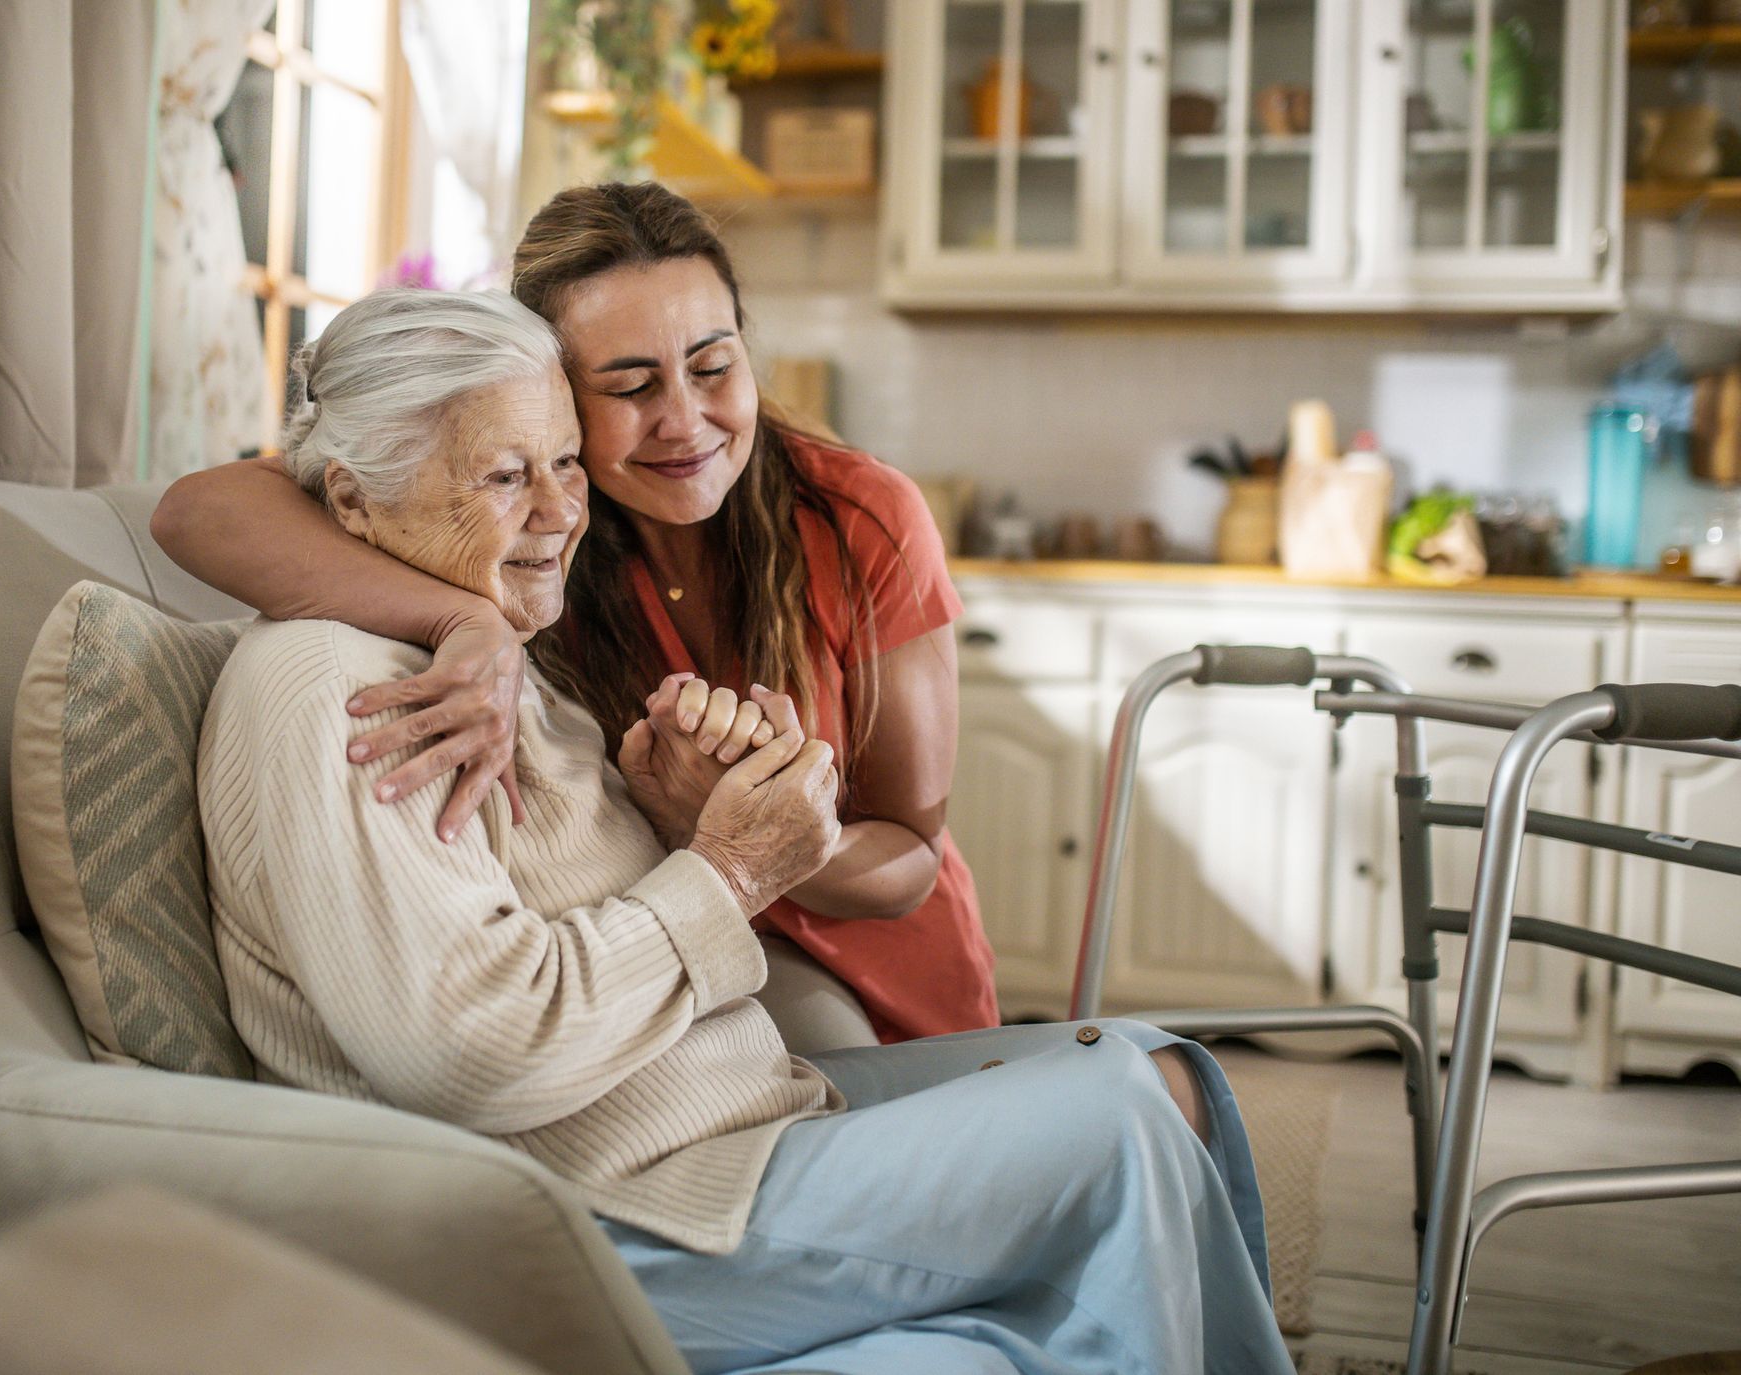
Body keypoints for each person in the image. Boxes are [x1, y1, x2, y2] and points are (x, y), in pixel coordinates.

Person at [197, 286, 1293, 1375]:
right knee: (1118, 1121)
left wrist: (698, 804)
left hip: (731, 1130)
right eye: (501, 475)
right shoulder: (338, 693)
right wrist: (725, 868)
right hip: (625, 1210)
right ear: (350, 499)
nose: (560, 510)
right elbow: (472, 1047)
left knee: (1158, 1069)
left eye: (566, 462)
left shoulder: (476, 654)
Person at [154, 181, 995, 1046]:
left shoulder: (860, 518)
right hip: (679, 967)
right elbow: (196, 511)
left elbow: (911, 859)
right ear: (553, 391)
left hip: (888, 978)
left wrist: (757, 833)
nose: (685, 421)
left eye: (713, 367)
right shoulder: (540, 533)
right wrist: (464, 622)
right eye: (630, 385)